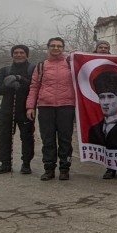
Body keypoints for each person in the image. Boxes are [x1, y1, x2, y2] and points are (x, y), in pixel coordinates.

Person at [27, 37, 75, 182]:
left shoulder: (71, 64)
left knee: (65, 139)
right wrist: (30, 106)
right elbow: (34, 87)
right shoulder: (41, 66)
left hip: (66, 106)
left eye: (59, 46)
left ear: (63, 48)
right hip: (46, 107)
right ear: (47, 48)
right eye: (53, 46)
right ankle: (49, 169)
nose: (56, 48)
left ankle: (64, 169)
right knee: (48, 140)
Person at [0, 44, 35, 175]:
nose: (18, 55)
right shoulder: (4, 70)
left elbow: (34, 87)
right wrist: (8, 85)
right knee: (4, 136)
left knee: (27, 137)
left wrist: (20, 79)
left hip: (25, 109)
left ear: (26, 54)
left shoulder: (32, 69)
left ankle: (26, 164)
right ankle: (5, 163)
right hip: (7, 109)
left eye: (21, 52)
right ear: (12, 55)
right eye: (16, 53)